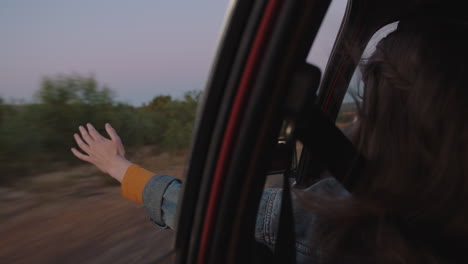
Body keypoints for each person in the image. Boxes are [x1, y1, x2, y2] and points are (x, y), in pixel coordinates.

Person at [72, 16, 468, 264]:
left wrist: (118, 167)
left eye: (366, 104)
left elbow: (204, 210)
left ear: (384, 119)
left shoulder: (343, 216)